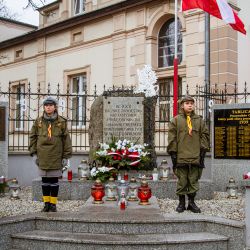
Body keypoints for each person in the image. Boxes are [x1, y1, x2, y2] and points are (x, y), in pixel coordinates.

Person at [29, 96, 72, 212]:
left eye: (50, 105)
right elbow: (32, 137)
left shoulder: (61, 122)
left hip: (56, 155)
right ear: (44, 107)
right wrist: (33, 153)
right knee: (44, 181)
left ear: (55, 107)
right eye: (46, 105)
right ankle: (46, 204)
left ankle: (53, 205)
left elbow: (66, 140)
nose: (48, 107)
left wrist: (66, 156)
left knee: (54, 181)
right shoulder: (38, 121)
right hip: (42, 155)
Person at [167, 95, 209, 213]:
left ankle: (191, 202)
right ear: (182, 105)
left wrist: (202, 152)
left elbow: (205, 136)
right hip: (181, 156)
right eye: (187, 103)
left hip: (195, 156)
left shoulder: (199, 120)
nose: (190, 105)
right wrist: (173, 154)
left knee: (193, 180)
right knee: (182, 181)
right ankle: (181, 203)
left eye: (191, 103)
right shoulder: (176, 120)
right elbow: (172, 138)